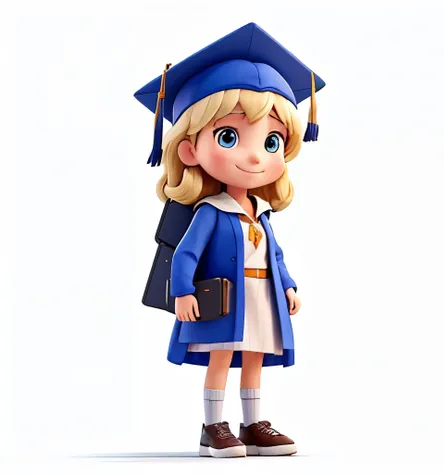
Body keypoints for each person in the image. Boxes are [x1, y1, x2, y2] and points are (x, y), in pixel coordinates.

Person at [134, 22, 325, 458]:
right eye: (229, 136)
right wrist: (182, 291)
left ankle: (253, 423)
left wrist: (289, 284)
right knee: (222, 355)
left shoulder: (262, 212)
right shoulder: (210, 211)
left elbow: (274, 254)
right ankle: (213, 426)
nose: (256, 155)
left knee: (255, 356)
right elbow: (186, 253)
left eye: (273, 141)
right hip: (224, 299)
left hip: (262, 295)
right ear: (188, 150)